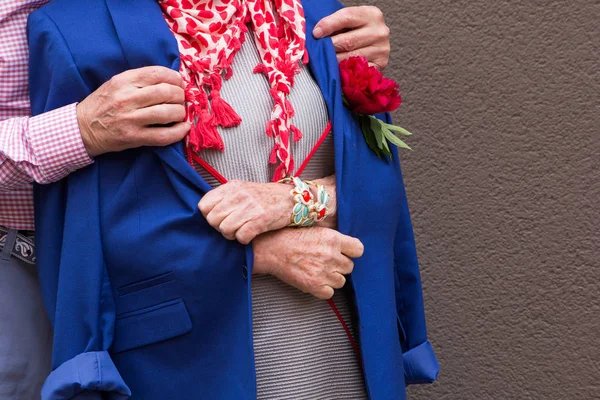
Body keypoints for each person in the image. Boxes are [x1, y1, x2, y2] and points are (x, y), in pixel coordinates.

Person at [28, 0, 439, 399]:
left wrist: (296, 200)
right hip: (190, 366)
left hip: (345, 361)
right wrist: (263, 254)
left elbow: (381, 183)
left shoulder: (317, 14)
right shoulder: (74, 30)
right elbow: (84, 247)